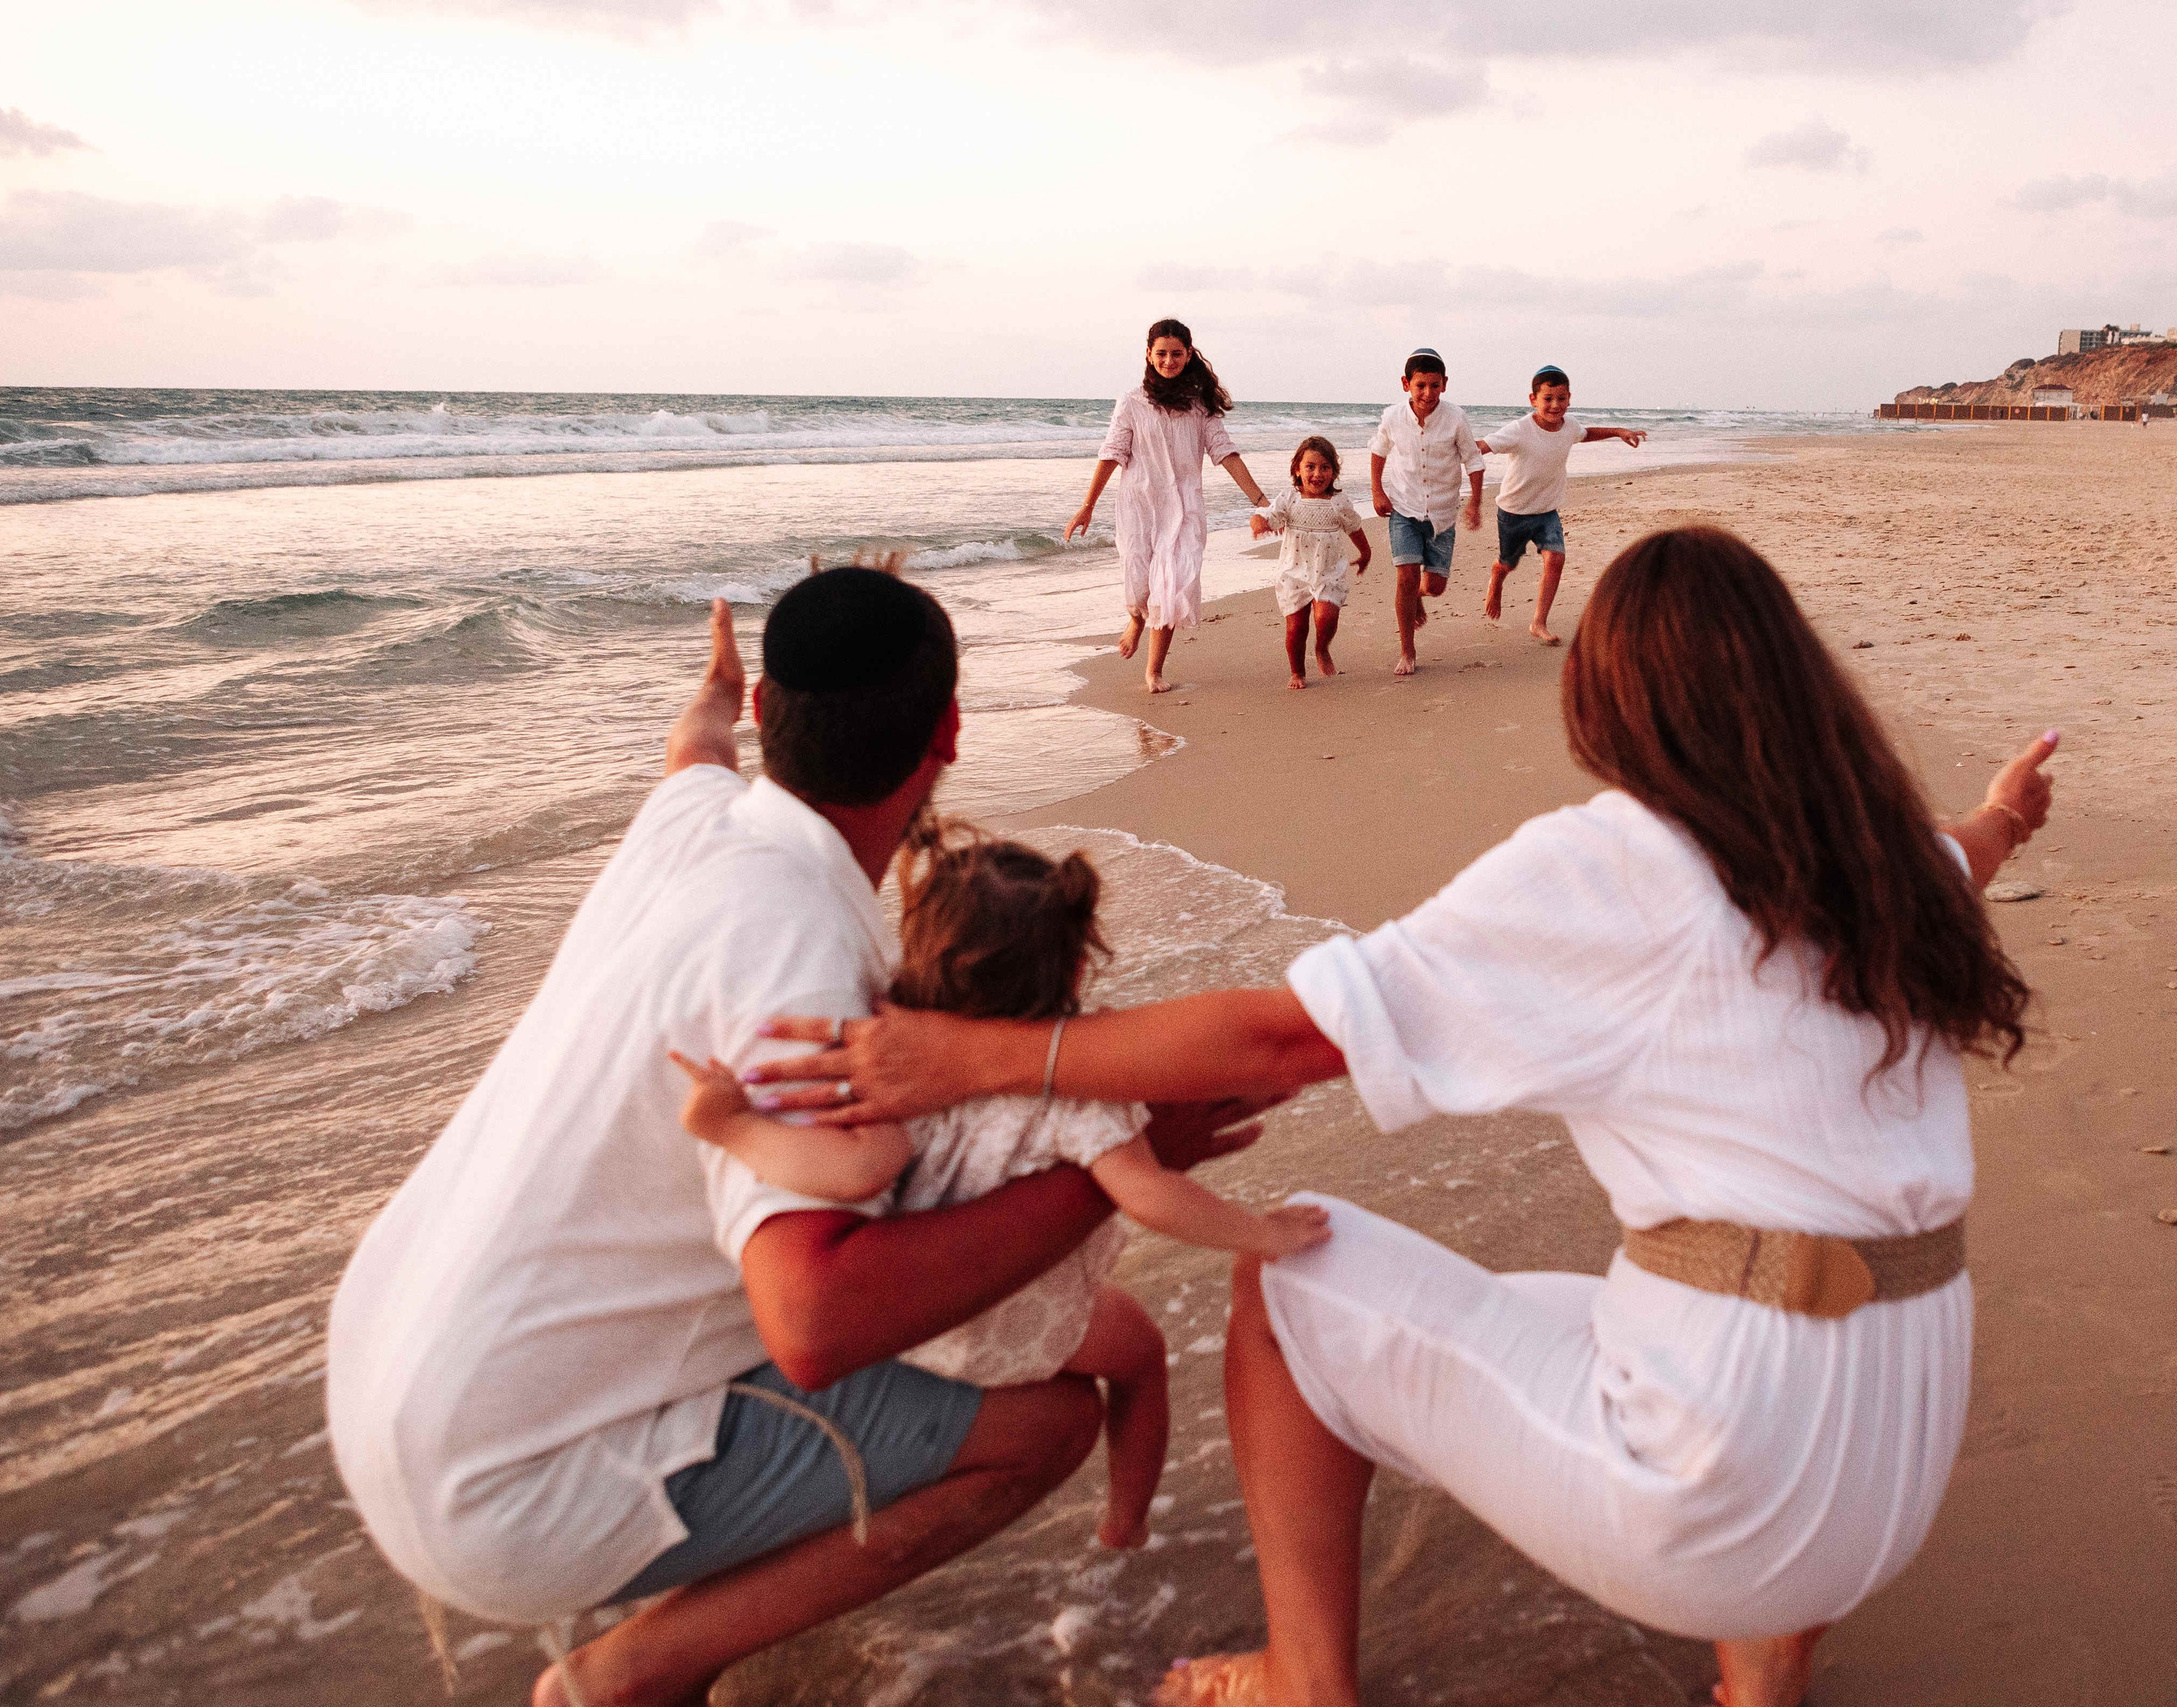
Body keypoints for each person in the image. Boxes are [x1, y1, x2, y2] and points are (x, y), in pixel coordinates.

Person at [747, 527, 2061, 1707]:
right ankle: (1766, 1672)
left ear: (1608, 697)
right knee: (1612, 1287)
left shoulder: (1620, 861)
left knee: (1299, 1281)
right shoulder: (1886, 864)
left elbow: (1291, 1032)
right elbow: (1969, 846)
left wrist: (972, 1056)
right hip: (1892, 1465)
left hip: (1736, 1495)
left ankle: (1305, 1677)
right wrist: (2005, 809)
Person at [324, 570, 1271, 1707]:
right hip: (510, 1491)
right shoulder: (803, 963)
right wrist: (1123, 1162)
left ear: (773, 716)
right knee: (1047, 1422)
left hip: (389, 1380)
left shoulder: (700, 819)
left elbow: (693, 742)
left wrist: (714, 692)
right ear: (951, 734)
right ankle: (635, 1675)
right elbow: (815, 1321)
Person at [671, 820, 1330, 1552]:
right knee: (1140, 1357)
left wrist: (734, 1128)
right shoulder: (1084, 1090)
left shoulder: (890, 1054)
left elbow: (857, 1168)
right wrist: (1263, 1234)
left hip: (913, 1323)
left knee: (869, 1158)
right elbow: (1149, 1194)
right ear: (1077, 969)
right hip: (1018, 1328)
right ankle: (1125, 1522)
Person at [1068, 319, 1271, 694]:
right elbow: (1112, 453)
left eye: (1177, 354)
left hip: (1185, 509)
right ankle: (1135, 618)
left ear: (1188, 355)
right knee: (1139, 586)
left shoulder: (1201, 406)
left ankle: (1154, 670)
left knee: (1172, 588)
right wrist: (1087, 505)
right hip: (1139, 506)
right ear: (1148, 355)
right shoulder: (1131, 402)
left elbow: (1225, 453)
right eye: (1161, 353)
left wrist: (1262, 502)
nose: (1168, 360)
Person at [1474, 365, 1648, 645]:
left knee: (1555, 559)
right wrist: (1445, 452)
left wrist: (1618, 431)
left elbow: (1585, 433)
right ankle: (1497, 575)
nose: (1555, 405)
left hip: (1547, 512)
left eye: (1561, 398)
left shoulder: (1569, 427)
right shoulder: (1519, 430)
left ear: (1569, 398)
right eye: (1547, 399)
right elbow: (1483, 446)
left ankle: (1538, 622)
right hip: (1514, 512)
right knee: (1509, 563)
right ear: (1533, 399)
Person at [1367, 349, 1484, 677]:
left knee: (1434, 586)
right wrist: (1377, 491)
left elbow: (1473, 460)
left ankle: (1418, 594)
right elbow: (1378, 451)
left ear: (1444, 384)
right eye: (1420, 385)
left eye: (1435, 385)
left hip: (1443, 514)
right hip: (1403, 508)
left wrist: (1475, 502)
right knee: (1405, 576)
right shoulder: (1392, 417)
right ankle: (1407, 650)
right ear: (1406, 384)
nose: (1427, 393)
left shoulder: (1456, 418)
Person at [1248, 436, 1371, 689]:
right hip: (1294, 572)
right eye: (1310, 467)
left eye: (1325, 467)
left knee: (1326, 616)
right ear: (1297, 468)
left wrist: (1365, 553)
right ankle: (1297, 672)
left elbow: (1354, 528)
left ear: (1334, 472)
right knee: (1296, 626)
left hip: (1328, 571)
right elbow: (1268, 516)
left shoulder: (1338, 502)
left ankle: (1322, 647)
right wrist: (1257, 523)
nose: (1317, 474)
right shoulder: (1290, 499)